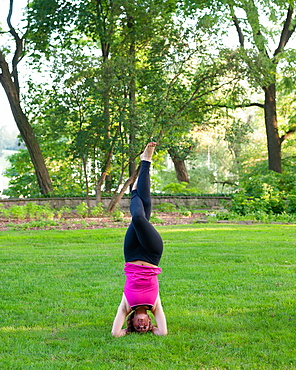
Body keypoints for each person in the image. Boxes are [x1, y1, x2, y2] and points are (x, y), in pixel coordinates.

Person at [111, 142, 168, 337]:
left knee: (143, 213)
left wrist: (126, 332)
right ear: (150, 322)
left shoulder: (126, 306)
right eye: (144, 327)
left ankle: (146, 162)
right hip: (152, 255)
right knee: (140, 216)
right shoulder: (155, 306)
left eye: (138, 326)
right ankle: (136, 188)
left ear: (132, 321)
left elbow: (115, 333)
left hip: (132, 252)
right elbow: (163, 333)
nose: (142, 326)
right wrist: (153, 329)